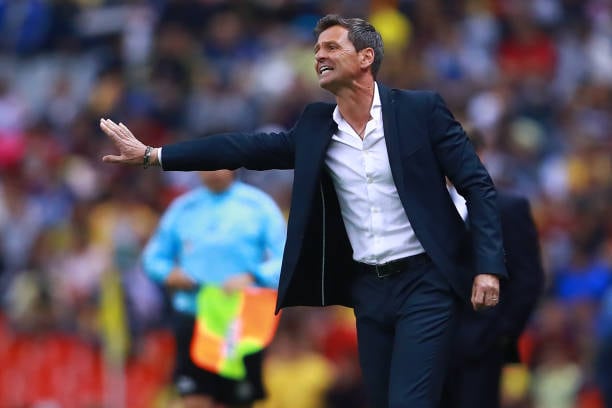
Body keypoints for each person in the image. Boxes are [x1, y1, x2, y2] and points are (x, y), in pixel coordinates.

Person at [100, 15, 507, 408]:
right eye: (316, 49)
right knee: (383, 401)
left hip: (427, 280)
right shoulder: (316, 125)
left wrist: (487, 265)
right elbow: (244, 148)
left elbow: (478, 186)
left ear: (366, 57)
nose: (319, 56)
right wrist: (155, 155)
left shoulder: (421, 111)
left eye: (332, 46)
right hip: (368, 289)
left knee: (408, 402)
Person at [142, 169, 286, 408]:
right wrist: (170, 273)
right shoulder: (184, 208)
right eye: (205, 164)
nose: (212, 171)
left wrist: (254, 276)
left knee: (238, 401)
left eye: (219, 164)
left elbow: (286, 259)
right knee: (194, 399)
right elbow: (153, 258)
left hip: (240, 321)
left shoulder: (258, 206)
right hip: (194, 316)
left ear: (234, 165)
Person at [440, 128, 545, 408]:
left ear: (482, 156)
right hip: (431, 348)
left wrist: (499, 334)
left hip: (482, 351)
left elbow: (528, 279)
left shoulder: (509, 208)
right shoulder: (428, 210)